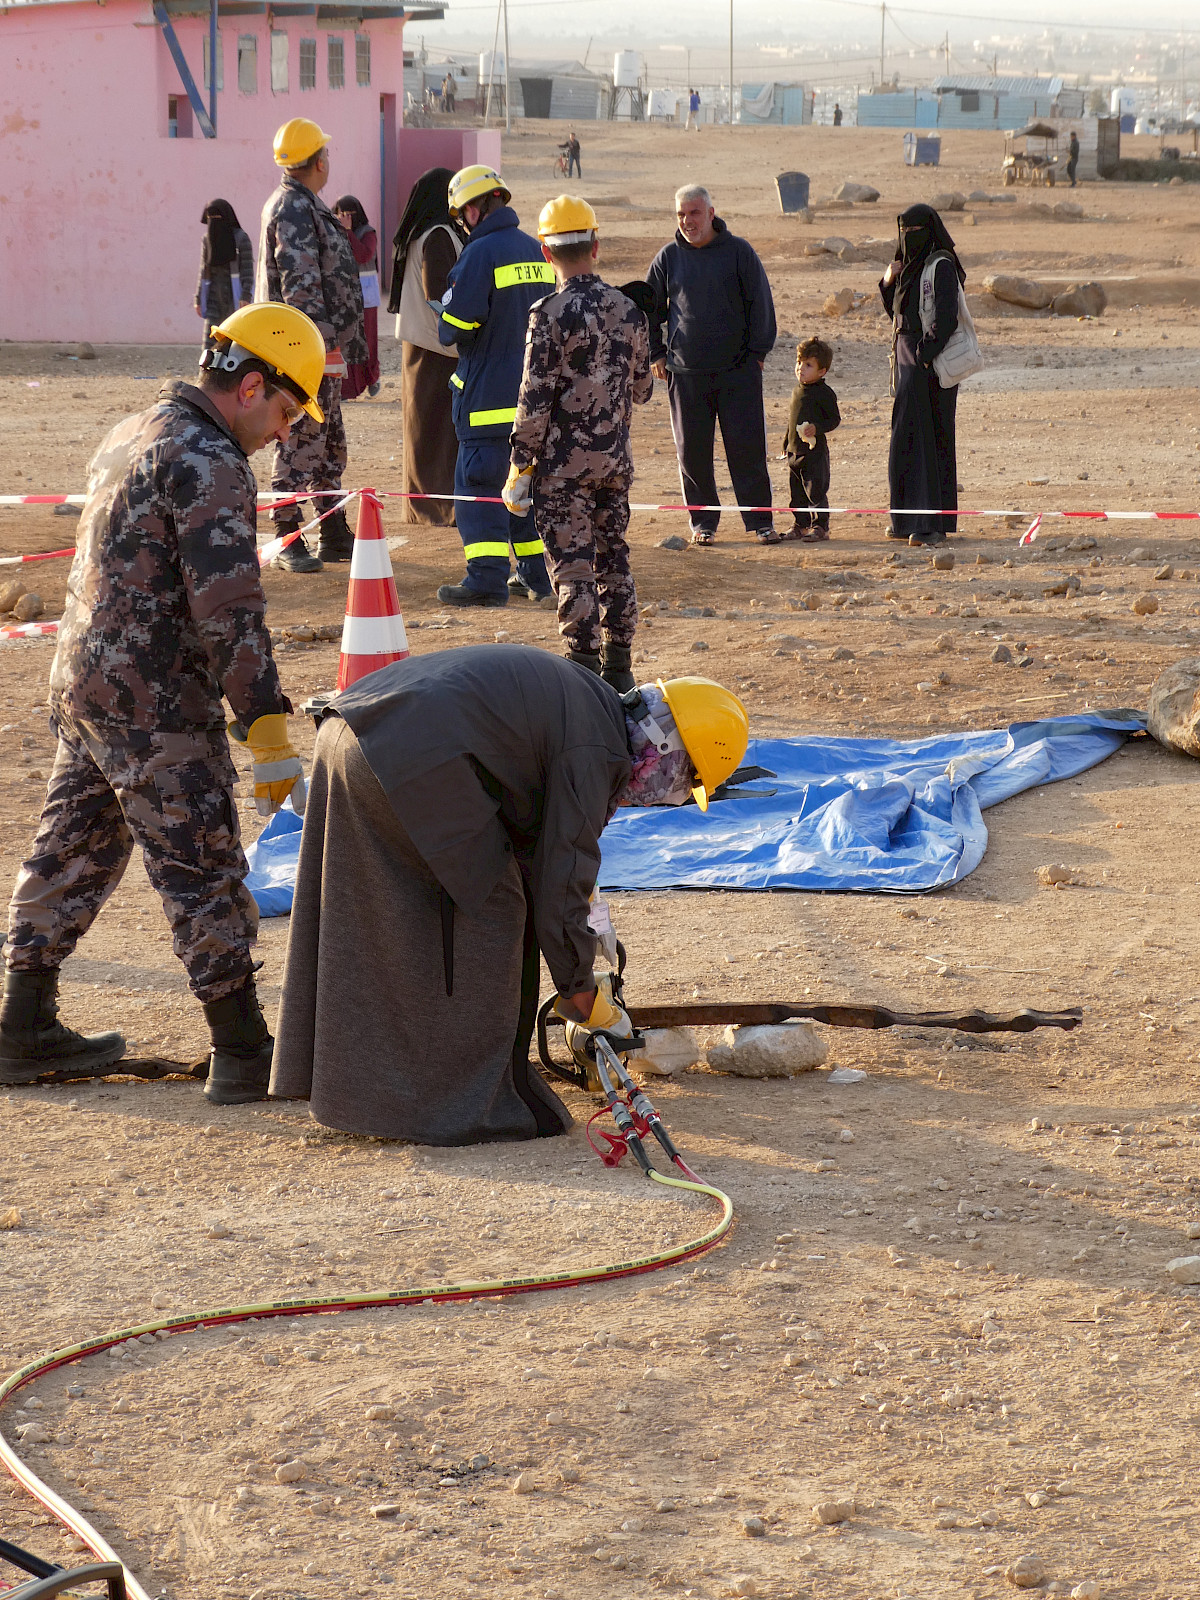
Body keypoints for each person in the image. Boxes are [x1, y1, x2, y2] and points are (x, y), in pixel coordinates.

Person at [0, 305, 324, 1105]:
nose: (283, 432)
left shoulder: (134, 427)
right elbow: (229, 608)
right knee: (202, 867)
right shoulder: (210, 460)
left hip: (86, 687)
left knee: (68, 852)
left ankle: (20, 1027)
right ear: (252, 385)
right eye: (284, 412)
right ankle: (244, 1050)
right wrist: (266, 725)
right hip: (154, 703)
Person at [269, 646, 749, 1145]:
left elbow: (542, 845)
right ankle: (466, 1104)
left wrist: (582, 941)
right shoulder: (598, 750)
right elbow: (559, 887)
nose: (660, 795)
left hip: (350, 732)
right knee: (494, 912)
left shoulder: (592, 708)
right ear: (666, 748)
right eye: (680, 782)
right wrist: (582, 994)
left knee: (385, 906)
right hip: (402, 755)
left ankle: (361, 1082)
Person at [504, 197, 652, 692]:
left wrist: (521, 466)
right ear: (595, 244)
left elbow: (535, 398)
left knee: (573, 569)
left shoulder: (548, 313)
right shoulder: (630, 311)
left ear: (546, 252)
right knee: (614, 559)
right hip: (613, 465)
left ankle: (585, 674)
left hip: (562, 471)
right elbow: (643, 390)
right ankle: (621, 668)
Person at [435, 164, 557, 607]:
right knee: (524, 486)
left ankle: (486, 580)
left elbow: (455, 327)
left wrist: (446, 308)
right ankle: (537, 578)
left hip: (486, 398)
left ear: (473, 207)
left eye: (462, 212)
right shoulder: (537, 250)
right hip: (535, 400)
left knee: (479, 489)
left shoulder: (479, 252)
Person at [257, 116, 365, 573]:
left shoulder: (304, 204)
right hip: (299, 350)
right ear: (318, 160)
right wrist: (321, 347)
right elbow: (301, 289)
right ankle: (287, 532)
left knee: (328, 439)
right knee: (300, 437)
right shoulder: (293, 209)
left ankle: (331, 525)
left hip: (315, 349)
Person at [646, 184, 778, 546]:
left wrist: (757, 355)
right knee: (692, 454)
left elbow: (761, 305)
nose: (688, 221)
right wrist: (656, 353)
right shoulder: (668, 258)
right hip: (685, 374)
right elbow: (648, 311)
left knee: (747, 450)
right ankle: (703, 523)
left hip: (738, 373)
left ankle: (761, 521)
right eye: (681, 214)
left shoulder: (739, 252)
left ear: (711, 213)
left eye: (694, 213)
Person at [879, 203, 964, 547]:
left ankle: (928, 525)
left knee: (928, 439)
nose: (907, 238)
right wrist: (888, 280)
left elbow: (947, 317)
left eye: (914, 232)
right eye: (903, 232)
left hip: (927, 359)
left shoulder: (940, 265)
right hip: (907, 355)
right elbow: (896, 311)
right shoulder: (907, 269)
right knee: (908, 437)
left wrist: (924, 356)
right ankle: (905, 520)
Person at [387, 168, 465, 527]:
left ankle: (427, 509)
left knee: (425, 432)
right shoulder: (438, 236)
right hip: (437, 349)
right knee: (434, 434)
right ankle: (435, 510)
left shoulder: (429, 234)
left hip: (423, 347)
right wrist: (460, 339)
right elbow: (440, 298)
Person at [783, 336, 840, 542]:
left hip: (814, 453)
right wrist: (786, 444)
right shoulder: (796, 391)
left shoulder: (824, 393)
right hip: (794, 451)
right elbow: (792, 421)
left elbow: (834, 419)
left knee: (815, 490)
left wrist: (818, 428)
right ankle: (800, 524)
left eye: (808, 365)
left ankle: (820, 526)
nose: (801, 368)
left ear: (822, 371)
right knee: (796, 492)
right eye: (799, 363)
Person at [333, 194, 381, 400]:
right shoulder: (333, 233)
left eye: (349, 215)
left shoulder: (367, 233)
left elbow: (363, 255)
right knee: (346, 339)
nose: (345, 219)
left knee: (367, 338)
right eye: (341, 215)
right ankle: (348, 386)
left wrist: (349, 232)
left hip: (366, 295)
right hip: (343, 294)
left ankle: (371, 378)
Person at [195, 199, 254, 346]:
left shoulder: (241, 239)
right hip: (213, 299)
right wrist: (198, 299)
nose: (214, 222)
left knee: (234, 343)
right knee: (209, 344)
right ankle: (206, 369)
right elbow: (203, 270)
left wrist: (246, 295)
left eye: (217, 218)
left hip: (235, 299)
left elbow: (247, 270)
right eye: (210, 218)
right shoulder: (207, 239)